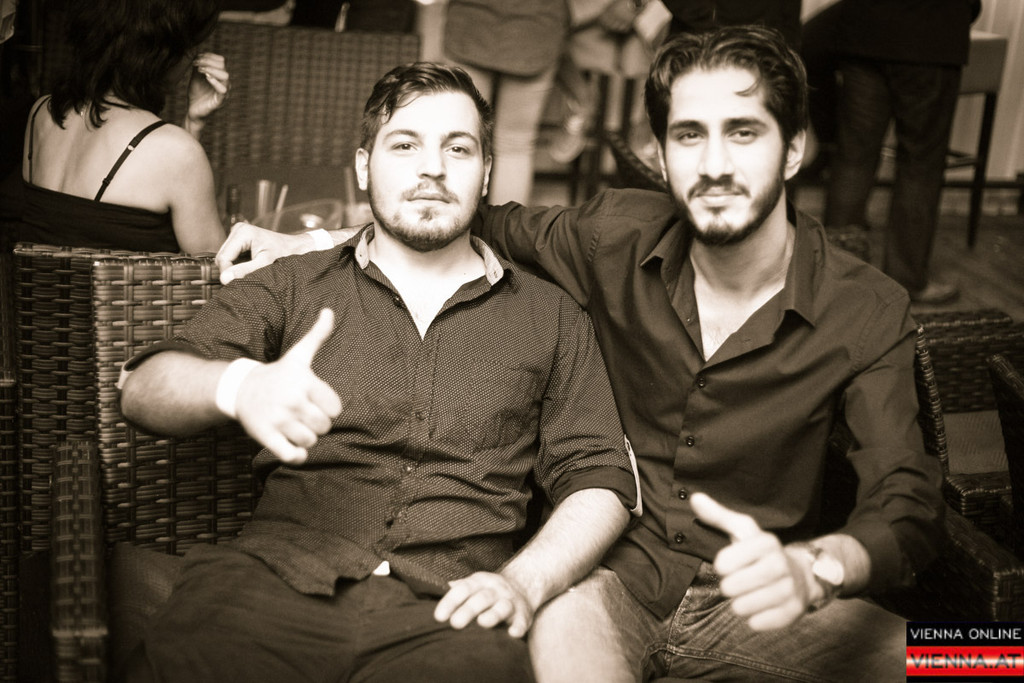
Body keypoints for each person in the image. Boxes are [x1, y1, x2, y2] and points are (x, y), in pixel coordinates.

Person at [216, 27, 944, 681]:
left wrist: (819, 568)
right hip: (602, 586)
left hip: (767, 595)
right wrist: (315, 243)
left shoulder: (867, 305)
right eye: (689, 136)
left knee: (986, 657)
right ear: (661, 156)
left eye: (744, 132)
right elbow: (460, 216)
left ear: (795, 149)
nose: (715, 163)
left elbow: (908, 502)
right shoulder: (612, 236)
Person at [118, 62, 638, 682]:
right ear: (364, 167)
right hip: (269, 588)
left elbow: (599, 478)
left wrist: (522, 584)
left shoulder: (551, 316)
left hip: (454, 615)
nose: (433, 168)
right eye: (405, 145)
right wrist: (239, 386)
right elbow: (142, 389)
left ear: (486, 173)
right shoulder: (293, 285)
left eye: (458, 148)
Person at [12, 0, 229, 253]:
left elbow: (75, 228)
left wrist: (192, 124)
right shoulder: (177, 153)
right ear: (164, 53)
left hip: (32, 280)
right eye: (192, 48)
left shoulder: (41, 112)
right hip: (121, 284)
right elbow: (218, 267)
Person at [824, 0, 982, 304]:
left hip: (864, 30)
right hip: (929, 37)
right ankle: (906, 279)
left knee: (853, 158)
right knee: (920, 164)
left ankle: (834, 277)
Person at [443, 0, 569, 205]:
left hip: (470, 24)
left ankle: (454, 224)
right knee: (515, 147)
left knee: (462, 139)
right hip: (536, 29)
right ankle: (507, 227)